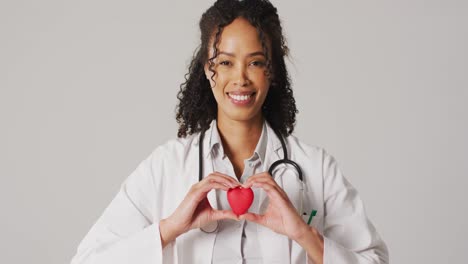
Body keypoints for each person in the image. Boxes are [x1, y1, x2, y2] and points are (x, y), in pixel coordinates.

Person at [70, 0, 389, 263]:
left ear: (272, 71)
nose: (240, 79)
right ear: (207, 69)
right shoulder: (166, 167)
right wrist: (169, 229)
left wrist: (304, 235)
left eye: (255, 62)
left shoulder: (317, 169)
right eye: (225, 63)